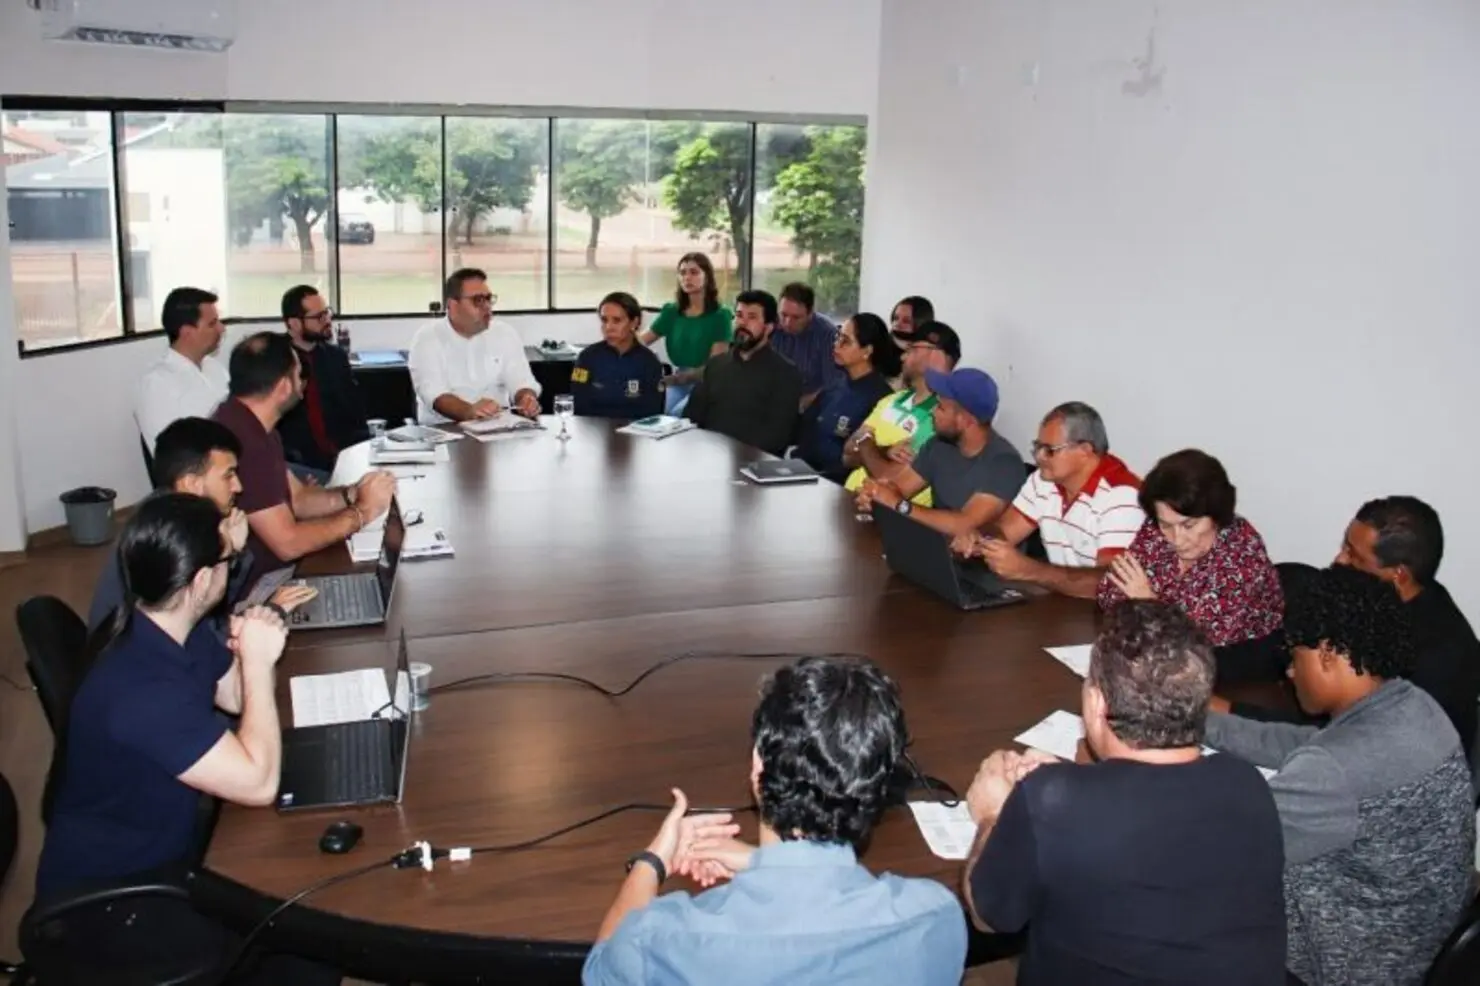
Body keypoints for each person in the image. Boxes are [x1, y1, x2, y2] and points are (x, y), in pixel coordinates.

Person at [35, 494, 337, 985]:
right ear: (200, 580)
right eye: (227, 561)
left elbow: (237, 700)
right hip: (119, 904)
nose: (233, 565)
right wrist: (258, 662)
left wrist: (250, 645)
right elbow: (258, 783)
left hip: (162, 853)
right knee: (314, 939)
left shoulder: (169, 626)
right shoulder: (140, 690)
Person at [583, 657, 967, 985]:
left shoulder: (669, 938)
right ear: (877, 787)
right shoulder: (935, 917)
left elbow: (600, 970)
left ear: (756, 767)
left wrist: (650, 864)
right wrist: (758, 864)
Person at [963, 601, 1286, 985]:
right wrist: (1065, 785)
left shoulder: (1052, 803)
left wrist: (991, 817)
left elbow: (988, 917)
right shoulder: (1247, 784)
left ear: (1097, 702)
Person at [1204, 566, 1475, 986]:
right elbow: (1304, 746)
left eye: (1294, 656)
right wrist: (1199, 721)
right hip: (1416, 937)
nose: (1290, 673)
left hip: (1345, 965)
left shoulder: (1334, 774)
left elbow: (1223, 835)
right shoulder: (1415, 706)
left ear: (1327, 654)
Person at [87, 417, 315, 633]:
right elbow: (206, 638)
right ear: (192, 484)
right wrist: (270, 608)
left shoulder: (169, 512)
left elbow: (217, 607)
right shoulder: (172, 537)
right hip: (140, 663)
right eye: (229, 475)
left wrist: (232, 553)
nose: (238, 486)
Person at [213, 332, 395, 589]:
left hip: (279, 571)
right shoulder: (244, 443)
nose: (303, 384)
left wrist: (353, 493)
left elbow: (298, 500)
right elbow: (287, 544)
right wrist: (362, 513)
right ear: (284, 387)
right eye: (299, 375)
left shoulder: (254, 425)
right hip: (262, 587)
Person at [1098, 449, 1284, 668]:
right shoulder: (1156, 529)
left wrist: (1149, 603)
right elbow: (1108, 591)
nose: (1176, 538)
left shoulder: (1242, 554)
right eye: (1166, 525)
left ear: (1216, 515)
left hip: (1233, 673)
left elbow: (1202, 640)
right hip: (1159, 657)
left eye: (1189, 525)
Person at [952, 402, 1144, 597]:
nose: (1039, 457)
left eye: (1050, 450)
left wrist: (1030, 570)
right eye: (1037, 447)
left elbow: (1113, 582)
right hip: (1063, 605)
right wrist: (978, 538)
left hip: (1111, 614)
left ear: (1084, 451)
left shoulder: (1122, 498)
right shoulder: (1043, 481)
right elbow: (1004, 530)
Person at [854, 368, 1024, 537]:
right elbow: (899, 487)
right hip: (936, 548)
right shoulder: (939, 445)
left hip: (978, 559)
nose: (932, 411)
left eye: (940, 407)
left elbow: (965, 525)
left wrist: (900, 505)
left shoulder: (1004, 464)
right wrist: (876, 494)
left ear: (966, 421)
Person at [840, 321, 961, 506]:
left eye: (912, 349)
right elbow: (847, 455)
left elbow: (890, 480)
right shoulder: (892, 400)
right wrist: (885, 451)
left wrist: (865, 443)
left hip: (891, 515)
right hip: (851, 499)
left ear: (935, 355)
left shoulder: (940, 415)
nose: (903, 357)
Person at [408, 268, 541, 424]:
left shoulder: (504, 333)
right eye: (477, 300)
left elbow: (521, 381)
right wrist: (469, 411)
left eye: (488, 299)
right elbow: (435, 395)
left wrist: (526, 398)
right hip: (446, 431)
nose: (487, 307)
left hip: (498, 430)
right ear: (453, 305)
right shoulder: (427, 338)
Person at [683, 290, 803, 454]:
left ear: (768, 327)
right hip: (708, 456)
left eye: (752, 317)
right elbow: (692, 417)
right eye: (739, 315)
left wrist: (733, 453)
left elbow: (777, 437)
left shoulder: (785, 374)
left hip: (753, 464)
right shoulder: (716, 365)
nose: (742, 323)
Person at [275, 284, 370, 476]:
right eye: (319, 317)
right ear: (294, 323)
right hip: (295, 464)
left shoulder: (335, 357)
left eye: (327, 313)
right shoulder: (275, 360)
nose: (327, 320)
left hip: (343, 457)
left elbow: (355, 415)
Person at [794, 313, 899, 482]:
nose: (836, 345)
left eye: (845, 341)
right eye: (837, 337)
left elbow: (856, 459)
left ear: (867, 351)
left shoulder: (880, 399)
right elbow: (808, 431)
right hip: (804, 471)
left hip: (835, 483)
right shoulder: (836, 384)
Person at [135, 287, 229, 451]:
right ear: (187, 333)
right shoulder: (157, 384)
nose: (221, 329)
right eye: (212, 324)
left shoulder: (214, 367)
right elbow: (171, 454)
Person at [640, 252, 733, 415]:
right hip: (678, 381)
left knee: (677, 415)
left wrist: (675, 379)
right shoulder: (672, 311)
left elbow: (715, 368)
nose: (687, 278)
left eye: (694, 272)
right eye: (682, 273)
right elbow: (641, 341)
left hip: (707, 383)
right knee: (655, 413)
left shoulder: (721, 316)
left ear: (707, 277)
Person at [571, 292, 665, 419]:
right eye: (604, 320)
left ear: (634, 322)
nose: (608, 327)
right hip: (594, 430)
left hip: (635, 432)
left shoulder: (650, 362)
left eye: (617, 320)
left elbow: (653, 411)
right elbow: (578, 404)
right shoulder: (586, 358)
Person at [771, 282, 840, 408]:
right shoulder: (770, 326)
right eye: (783, 315)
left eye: (796, 318)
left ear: (810, 313)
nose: (787, 323)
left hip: (809, 407)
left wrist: (801, 405)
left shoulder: (827, 334)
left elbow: (832, 385)